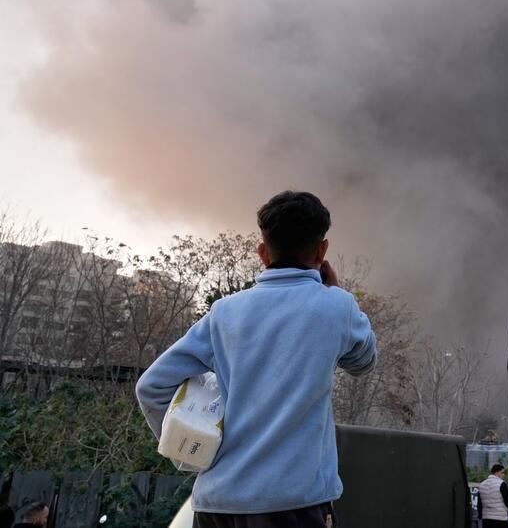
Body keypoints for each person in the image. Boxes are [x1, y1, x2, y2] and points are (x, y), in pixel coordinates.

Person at [136, 191, 378, 528]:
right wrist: (337, 294)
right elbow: (363, 362)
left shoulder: (224, 313)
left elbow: (151, 386)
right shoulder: (337, 306)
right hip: (295, 505)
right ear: (322, 251)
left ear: (263, 253)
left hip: (216, 505)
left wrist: (189, 447)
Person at [477, 463, 508, 528]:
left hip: (486, 519)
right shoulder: (501, 484)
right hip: (500, 519)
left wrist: (480, 515)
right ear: (497, 472)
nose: (503, 475)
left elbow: (479, 503)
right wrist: (507, 507)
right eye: (502, 473)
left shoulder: (482, 484)